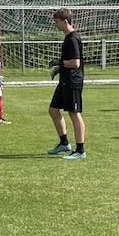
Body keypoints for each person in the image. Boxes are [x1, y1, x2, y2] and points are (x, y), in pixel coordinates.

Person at [46, 8, 87, 160]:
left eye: (57, 22)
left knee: (74, 114)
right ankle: (64, 143)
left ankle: (80, 150)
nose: (55, 24)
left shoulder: (72, 39)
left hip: (73, 82)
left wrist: (59, 62)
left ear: (65, 21)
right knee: (53, 110)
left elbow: (75, 63)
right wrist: (59, 68)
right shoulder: (68, 37)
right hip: (65, 81)